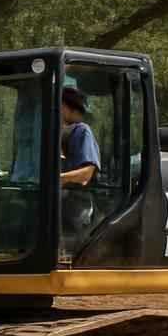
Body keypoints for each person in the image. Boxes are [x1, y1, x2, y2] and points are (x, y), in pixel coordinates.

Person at [60, 85, 100, 240]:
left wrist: (60, 179)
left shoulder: (81, 131)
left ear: (65, 107)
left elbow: (86, 174)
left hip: (76, 218)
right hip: (61, 212)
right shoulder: (55, 132)